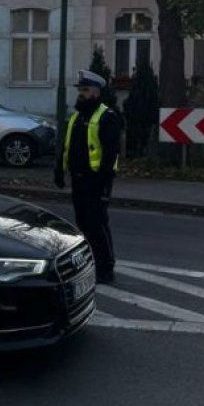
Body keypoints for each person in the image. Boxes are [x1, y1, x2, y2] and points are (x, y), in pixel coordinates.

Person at [54, 70, 121, 284]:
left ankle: (106, 269)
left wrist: (103, 183)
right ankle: (90, 265)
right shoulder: (77, 116)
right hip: (78, 179)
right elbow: (67, 147)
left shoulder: (107, 116)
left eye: (85, 90)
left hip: (96, 181)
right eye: (80, 90)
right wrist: (59, 169)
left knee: (98, 225)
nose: (81, 94)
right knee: (83, 224)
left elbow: (110, 154)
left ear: (96, 92)